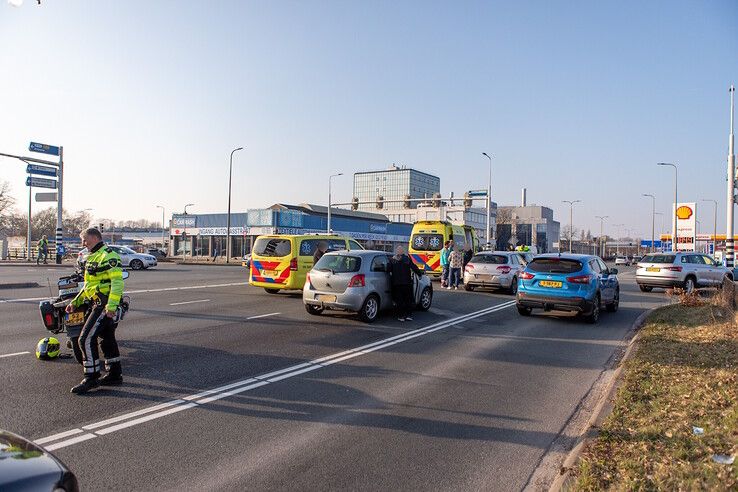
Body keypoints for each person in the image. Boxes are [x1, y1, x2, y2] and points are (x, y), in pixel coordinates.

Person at [65, 227, 125, 394]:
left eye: (84, 240)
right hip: (97, 303)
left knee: (84, 339)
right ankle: (114, 373)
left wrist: (111, 307)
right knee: (107, 338)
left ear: (94, 238)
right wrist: (76, 302)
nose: (83, 243)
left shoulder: (109, 255)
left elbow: (117, 283)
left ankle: (91, 378)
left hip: (104, 305)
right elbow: (89, 285)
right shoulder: (92, 256)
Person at [389, 245, 423, 322]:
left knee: (399, 301)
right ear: (403, 252)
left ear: (397, 252)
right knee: (408, 300)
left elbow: (388, 269)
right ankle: (409, 315)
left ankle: (401, 316)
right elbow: (414, 267)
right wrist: (420, 274)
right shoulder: (407, 259)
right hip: (407, 283)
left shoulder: (392, 260)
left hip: (397, 284)